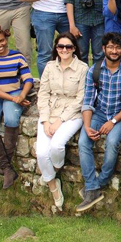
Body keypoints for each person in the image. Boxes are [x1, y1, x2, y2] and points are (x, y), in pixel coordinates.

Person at [77, 32, 121, 212]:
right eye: (110, 47)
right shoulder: (94, 70)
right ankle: (92, 187)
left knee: (112, 142)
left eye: (118, 47)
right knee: (83, 142)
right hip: (99, 113)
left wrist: (113, 121)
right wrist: (87, 126)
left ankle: (98, 184)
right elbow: (88, 101)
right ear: (103, 48)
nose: (114, 51)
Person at [35, 32, 88, 210]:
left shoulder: (82, 68)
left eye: (68, 47)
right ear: (56, 48)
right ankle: (53, 186)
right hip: (49, 112)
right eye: (60, 46)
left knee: (56, 146)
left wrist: (60, 121)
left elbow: (80, 99)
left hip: (72, 114)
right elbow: (43, 94)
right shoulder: (50, 67)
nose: (64, 50)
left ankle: (52, 171)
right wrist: (45, 121)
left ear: (74, 49)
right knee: (42, 153)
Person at [0, 25, 33, 189]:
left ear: (6, 39)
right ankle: (8, 168)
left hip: (16, 92)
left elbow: (28, 79)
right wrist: (13, 98)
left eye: (1, 41)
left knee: (11, 119)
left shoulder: (17, 56)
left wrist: (22, 95)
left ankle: (5, 168)